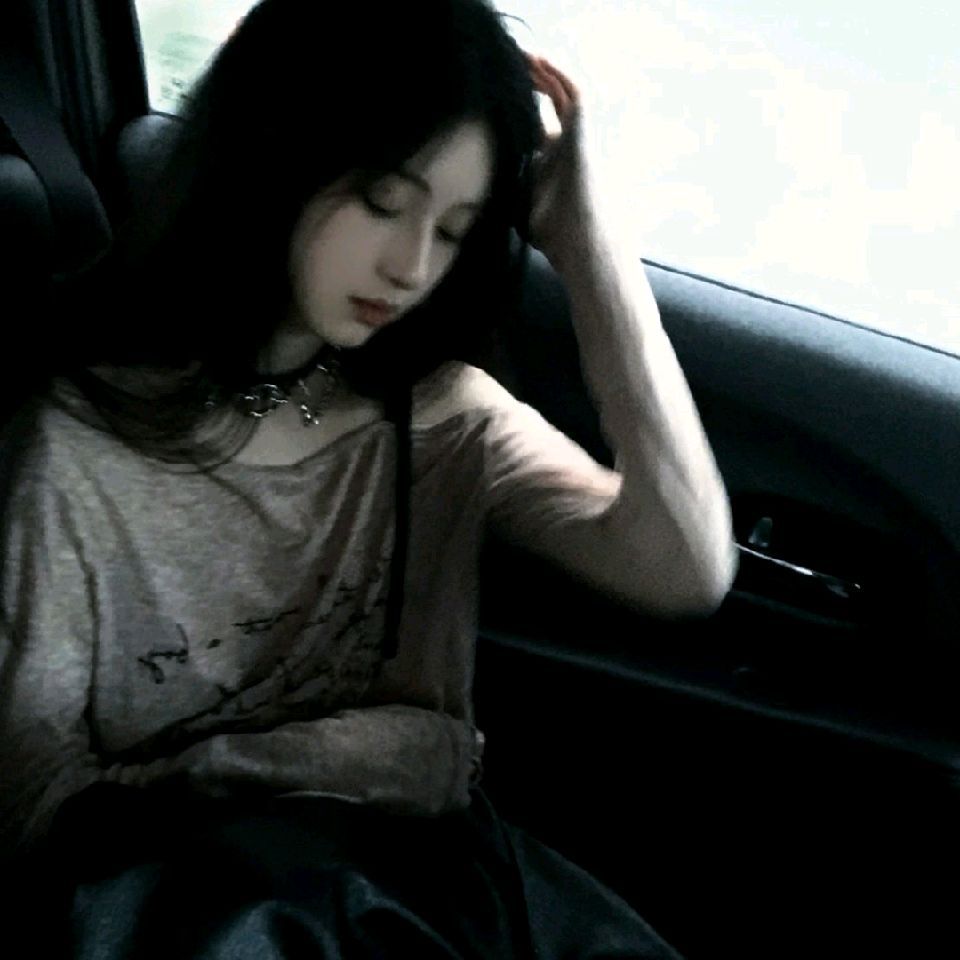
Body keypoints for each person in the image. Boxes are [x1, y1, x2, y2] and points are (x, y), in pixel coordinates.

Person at [0, 0, 736, 955]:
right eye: (384, 203)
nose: (412, 266)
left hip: (428, 905)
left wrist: (589, 247)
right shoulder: (76, 457)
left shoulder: (442, 419)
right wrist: (324, 760)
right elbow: (36, 818)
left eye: (455, 228)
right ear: (277, 153)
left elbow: (683, 566)